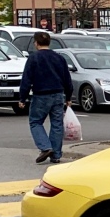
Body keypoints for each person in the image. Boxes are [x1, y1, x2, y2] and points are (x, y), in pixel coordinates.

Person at [17, 32, 73, 164]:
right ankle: (56, 155)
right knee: (57, 124)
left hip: (41, 95)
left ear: (36, 43)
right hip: (58, 94)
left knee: (35, 121)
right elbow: (67, 79)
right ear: (49, 42)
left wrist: (22, 98)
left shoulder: (33, 58)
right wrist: (68, 97)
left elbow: (26, 79)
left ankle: (45, 147)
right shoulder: (59, 58)